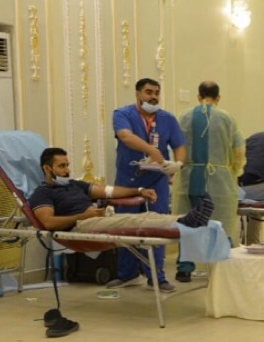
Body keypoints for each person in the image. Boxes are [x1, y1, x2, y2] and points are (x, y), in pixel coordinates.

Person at [108, 78, 187, 292]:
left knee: (156, 226)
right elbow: (126, 136)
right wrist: (152, 150)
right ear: (137, 94)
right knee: (125, 226)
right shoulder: (122, 114)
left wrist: (177, 164)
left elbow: (179, 146)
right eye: (148, 92)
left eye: (156, 93)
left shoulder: (167, 119)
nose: (153, 97)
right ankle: (127, 274)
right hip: (128, 180)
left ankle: (156, 277)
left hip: (156, 180)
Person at [30, 147, 212, 233]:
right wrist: (82, 216)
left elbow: (109, 191)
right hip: (80, 226)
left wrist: (139, 190)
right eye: (62, 166)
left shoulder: (75, 184)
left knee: (147, 216)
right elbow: (49, 223)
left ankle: (187, 219)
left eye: (67, 165)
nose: (67, 170)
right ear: (47, 168)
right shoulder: (42, 193)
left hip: (98, 219)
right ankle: (184, 222)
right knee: (131, 220)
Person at [174, 81, 244, 281]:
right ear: (218, 98)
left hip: (189, 179)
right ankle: (224, 267)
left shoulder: (184, 117)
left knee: (188, 223)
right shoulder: (227, 118)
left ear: (198, 96)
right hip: (219, 180)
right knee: (221, 223)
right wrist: (234, 171)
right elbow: (238, 151)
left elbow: (177, 148)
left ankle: (185, 268)